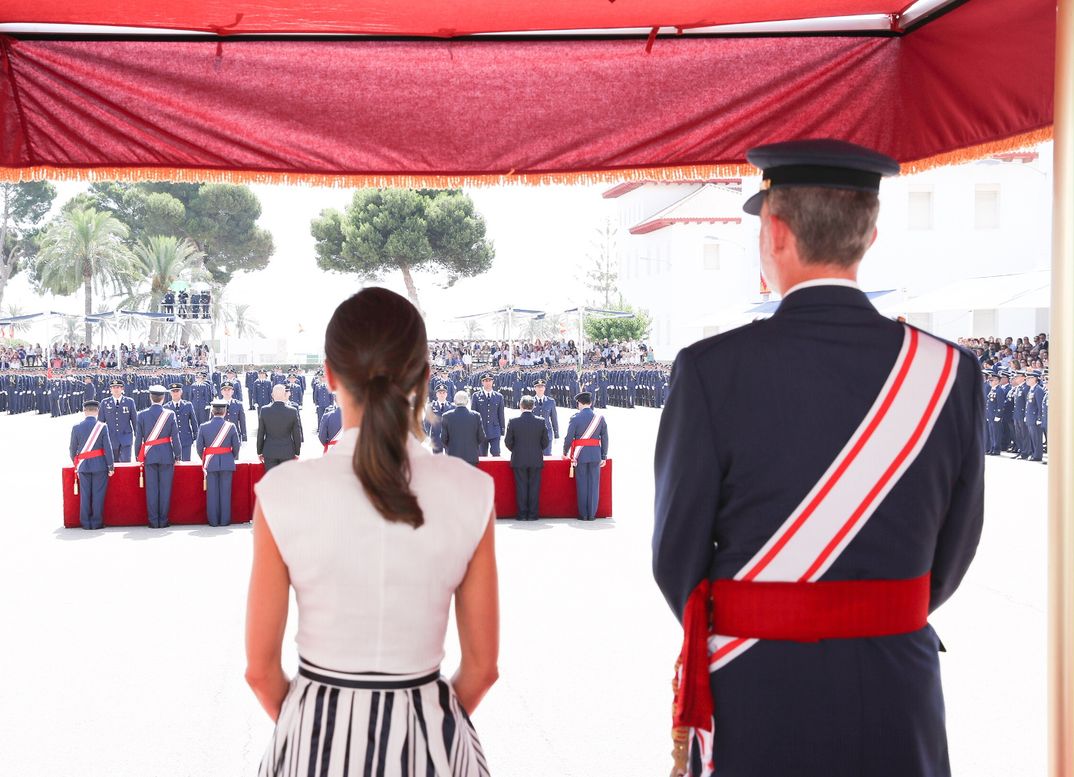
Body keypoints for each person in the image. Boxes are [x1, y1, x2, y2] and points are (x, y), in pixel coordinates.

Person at [653, 139, 984, 777]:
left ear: (773, 232)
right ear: (871, 234)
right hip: (899, 685)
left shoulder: (710, 371)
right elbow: (954, 554)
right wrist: (872, 615)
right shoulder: (949, 373)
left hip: (757, 687)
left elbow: (677, 561)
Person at [245, 287, 498, 777]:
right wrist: (428, 723)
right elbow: (483, 669)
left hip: (312, 738)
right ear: (424, 376)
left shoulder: (281, 490)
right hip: (432, 741)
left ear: (329, 376)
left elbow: (260, 671)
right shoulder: (473, 491)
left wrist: (312, 723)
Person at [135, 384, 183, 528]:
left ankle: (153, 521)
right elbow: (175, 437)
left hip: (149, 456)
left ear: (150, 397)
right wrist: (178, 455)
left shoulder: (141, 414)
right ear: (163, 398)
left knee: (151, 489)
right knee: (165, 489)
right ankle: (163, 520)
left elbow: (138, 439)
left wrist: (138, 456)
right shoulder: (170, 414)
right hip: (166, 455)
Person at [562, 392, 608, 521]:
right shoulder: (600, 418)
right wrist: (604, 455)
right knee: (594, 485)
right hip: (595, 454)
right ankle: (592, 514)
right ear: (591, 403)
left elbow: (569, 438)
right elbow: (605, 437)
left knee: (582, 484)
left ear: (579, 404)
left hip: (580, 455)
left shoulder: (575, 418)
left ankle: (583, 514)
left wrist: (565, 452)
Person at [69, 399, 115, 530]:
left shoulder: (76, 427)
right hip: (100, 465)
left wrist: (76, 463)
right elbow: (108, 448)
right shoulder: (102, 427)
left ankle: (85, 522)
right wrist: (110, 466)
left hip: (83, 466)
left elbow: (72, 449)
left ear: (84, 411)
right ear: (97, 411)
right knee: (98, 495)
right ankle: (96, 522)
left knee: (85, 495)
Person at [197, 398, 242, 526]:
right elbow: (236, 447)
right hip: (227, 461)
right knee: (225, 493)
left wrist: (206, 458)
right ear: (225, 411)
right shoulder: (231, 426)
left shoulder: (204, 427)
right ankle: (224, 520)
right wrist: (230, 457)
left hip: (210, 463)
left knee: (212, 493)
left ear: (212, 411)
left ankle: (213, 521)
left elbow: (199, 448)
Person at [504, 395, 549, 521]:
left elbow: (508, 441)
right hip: (536, 458)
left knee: (521, 487)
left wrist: (516, 450)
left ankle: (522, 514)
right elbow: (545, 442)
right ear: (533, 406)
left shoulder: (513, 421)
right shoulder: (540, 421)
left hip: (519, 458)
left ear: (520, 406)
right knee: (534, 487)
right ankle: (533, 514)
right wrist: (537, 449)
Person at [256, 384, 302, 472]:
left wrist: (259, 451)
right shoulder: (292, 411)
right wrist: (297, 452)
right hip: (287, 451)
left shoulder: (264, 410)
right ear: (285, 395)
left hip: (269, 451)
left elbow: (260, 433)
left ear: (272, 395)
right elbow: (297, 434)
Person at [442, 390, 485, 466]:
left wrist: (452, 446)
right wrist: (472, 445)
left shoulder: (447, 416)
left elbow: (443, 438)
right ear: (467, 401)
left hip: (453, 457)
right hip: (471, 457)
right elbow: (481, 437)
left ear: (454, 401)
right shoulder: (476, 416)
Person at [100, 379, 137, 462]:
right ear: (110, 389)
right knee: (113, 462)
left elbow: (134, 420)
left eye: (118, 387)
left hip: (126, 436)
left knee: (126, 462)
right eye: (113, 387)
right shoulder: (105, 402)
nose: (116, 389)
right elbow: (100, 422)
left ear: (122, 389)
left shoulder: (129, 402)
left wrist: (137, 435)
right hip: (111, 437)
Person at [470, 373, 505, 456]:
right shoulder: (476, 396)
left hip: (495, 430)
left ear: (493, 382)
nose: (488, 382)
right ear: (482, 382)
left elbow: (501, 414)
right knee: (482, 456)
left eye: (489, 380)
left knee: (496, 453)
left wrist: (502, 429)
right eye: (485, 381)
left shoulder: (499, 396)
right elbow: (473, 415)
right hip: (481, 430)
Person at [165, 383, 199, 461]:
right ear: (170, 393)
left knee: (186, 464)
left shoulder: (188, 405)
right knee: (172, 464)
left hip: (186, 439)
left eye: (177, 391)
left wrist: (196, 437)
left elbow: (194, 422)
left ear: (181, 392)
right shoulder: (166, 407)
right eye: (173, 391)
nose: (175, 393)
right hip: (171, 440)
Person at [530, 378, 559, 456]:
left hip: (547, 434)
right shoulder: (530, 401)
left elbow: (554, 419)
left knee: (547, 457)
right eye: (538, 387)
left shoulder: (550, 401)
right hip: (533, 434)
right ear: (535, 388)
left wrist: (556, 434)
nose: (540, 388)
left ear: (545, 388)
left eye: (542, 386)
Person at [423, 383, 452, 454]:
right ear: (436, 394)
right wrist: (428, 436)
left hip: (449, 438)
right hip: (435, 437)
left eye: (443, 393)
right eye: (439, 393)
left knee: (450, 459)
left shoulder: (452, 407)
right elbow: (426, 423)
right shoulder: (431, 407)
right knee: (437, 460)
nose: (442, 395)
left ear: (446, 394)